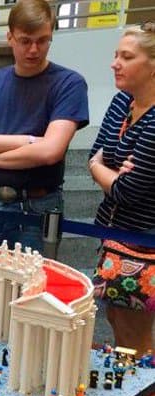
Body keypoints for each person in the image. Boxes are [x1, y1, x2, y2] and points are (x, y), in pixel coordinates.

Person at [0, 0, 89, 253]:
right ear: (10, 38)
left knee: (30, 288)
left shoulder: (69, 83)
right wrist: (28, 140)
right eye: (25, 41)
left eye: (43, 40)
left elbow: (50, 152)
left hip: (35, 207)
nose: (34, 49)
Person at [88, 22, 155, 352]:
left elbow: (127, 190)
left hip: (144, 246)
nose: (115, 63)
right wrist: (106, 170)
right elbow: (92, 156)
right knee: (116, 321)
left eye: (126, 57)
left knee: (133, 336)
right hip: (112, 236)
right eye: (116, 55)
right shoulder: (120, 103)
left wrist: (102, 168)